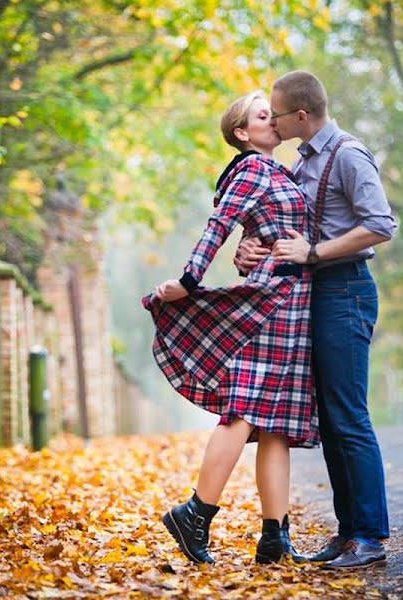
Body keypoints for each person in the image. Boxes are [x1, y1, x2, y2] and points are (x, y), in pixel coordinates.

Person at [142, 91, 320, 565]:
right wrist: (187, 279)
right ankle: (195, 513)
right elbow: (219, 224)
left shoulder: (279, 172)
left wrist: (255, 244)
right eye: (264, 116)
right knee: (243, 411)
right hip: (271, 302)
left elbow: (258, 228)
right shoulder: (251, 168)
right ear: (242, 132)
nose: (274, 120)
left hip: (294, 305)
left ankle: (275, 536)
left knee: (276, 425)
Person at [236, 70, 396, 569]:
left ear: (301, 115)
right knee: (329, 419)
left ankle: (369, 535)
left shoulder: (347, 155)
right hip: (316, 294)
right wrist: (251, 248)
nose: (274, 122)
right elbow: (289, 227)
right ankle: (348, 535)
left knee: (349, 416)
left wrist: (315, 252)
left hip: (345, 291)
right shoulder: (302, 161)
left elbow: (381, 225)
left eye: (277, 114)